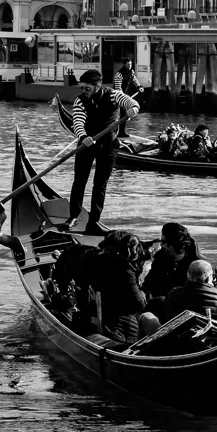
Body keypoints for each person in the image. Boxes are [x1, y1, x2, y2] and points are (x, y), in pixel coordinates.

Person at [69, 69, 139, 236]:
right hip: (87, 143)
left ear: (98, 86)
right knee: (79, 180)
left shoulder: (113, 95)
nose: (84, 91)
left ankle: (93, 222)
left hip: (109, 145)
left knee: (100, 184)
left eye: (87, 88)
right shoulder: (80, 100)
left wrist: (134, 108)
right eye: (82, 88)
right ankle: (73, 216)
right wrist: (83, 137)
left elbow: (130, 102)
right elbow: (77, 121)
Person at [89, 229, 160, 341]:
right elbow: (138, 304)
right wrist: (142, 293)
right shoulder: (125, 270)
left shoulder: (97, 262)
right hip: (122, 323)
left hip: (101, 315)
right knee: (153, 317)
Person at [142, 222, 205, 315]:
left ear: (172, 244)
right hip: (160, 306)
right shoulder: (160, 258)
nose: (161, 245)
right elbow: (148, 283)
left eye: (163, 242)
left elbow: (202, 293)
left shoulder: (197, 264)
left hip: (186, 310)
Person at [163, 259, 217, 326]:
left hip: (183, 337)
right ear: (208, 278)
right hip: (214, 337)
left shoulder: (174, 294)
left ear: (188, 276)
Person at [112, 59, 141, 136]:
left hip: (125, 94)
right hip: (117, 96)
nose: (130, 66)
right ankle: (116, 132)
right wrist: (123, 97)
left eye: (130, 64)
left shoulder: (131, 72)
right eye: (128, 64)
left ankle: (122, 132)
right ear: (124, 65)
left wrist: (139, 87)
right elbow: (118, 88)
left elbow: (134, 80)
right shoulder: (119, 75)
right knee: (117, 114)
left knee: (124, 114)